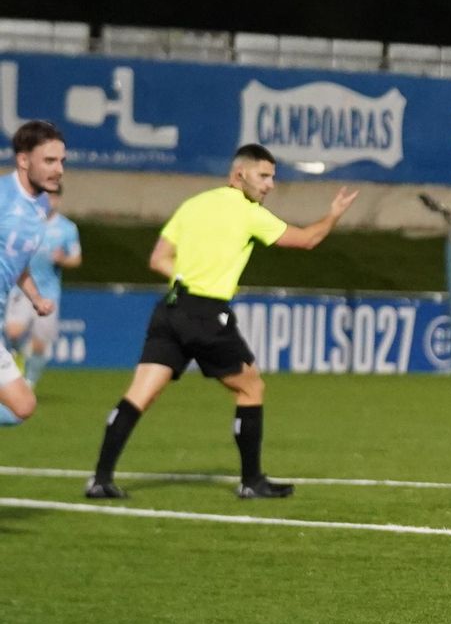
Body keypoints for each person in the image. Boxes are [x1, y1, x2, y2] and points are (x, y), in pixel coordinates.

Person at [84, 144, 358, 499]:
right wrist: (333, 214)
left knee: (140, 394)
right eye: (264, 176)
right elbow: (308, 240)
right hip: (206, 313)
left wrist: (186, 277)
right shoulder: (248, 212)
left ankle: (100, 479)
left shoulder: (193, 204)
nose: (270, 185)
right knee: (251, 388)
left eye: (272, 177)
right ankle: (251, 481)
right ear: (239, 174)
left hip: (171, 309)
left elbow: (158, 259)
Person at [0, 121, 64, 427]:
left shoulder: (40, 205)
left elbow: (18, 259)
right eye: (49, 161)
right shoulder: (2, 196)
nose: (59, 169)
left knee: (21, 408)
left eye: (61, 161)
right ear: (24, 160)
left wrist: (36, 298)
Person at [5, 188, 81, 390]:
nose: (48, 201)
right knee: (12, 332)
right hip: (22, 290)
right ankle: (19, 359)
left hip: (48, 293)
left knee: (40, 345)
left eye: (52, 197)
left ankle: (29, 382)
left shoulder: (67, 228)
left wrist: (62, 259)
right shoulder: (24, 223)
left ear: (58, 199)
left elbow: (76, 259)